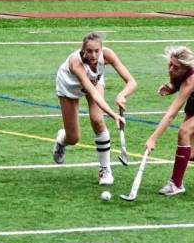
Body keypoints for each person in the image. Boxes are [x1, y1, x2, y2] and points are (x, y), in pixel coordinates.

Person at [53, 32, 137, 185]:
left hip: (94, 80)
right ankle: (61, 140)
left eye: (97, 51)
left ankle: (105, 170)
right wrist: (113, 114)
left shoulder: (108, 55)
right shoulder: (75, 64)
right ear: (83, 50)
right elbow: (94, 94)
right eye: (89, 51)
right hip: (69, 85)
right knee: (73, 138)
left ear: (101, 49)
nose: (93, 55)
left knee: (98, 120)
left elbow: (132, 82)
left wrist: (122, 95)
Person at [145, 46, 194, 196]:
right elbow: (176, 83)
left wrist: (153, 139)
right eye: (170, 64)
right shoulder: (177, 71)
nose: (171, 69)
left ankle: (176, 184)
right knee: (187, 153)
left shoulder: (192, 79)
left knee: (184, 131)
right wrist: (170, 87)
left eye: (175, 67)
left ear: (185, 68)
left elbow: (171, 114)